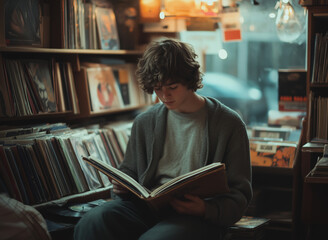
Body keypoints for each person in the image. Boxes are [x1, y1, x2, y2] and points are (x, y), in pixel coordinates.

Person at [74, 38, 252, 240]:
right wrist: (121, 187)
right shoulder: (145, 122)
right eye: (157, 89)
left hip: (196, 215)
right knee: (92, 222)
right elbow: (129, 171)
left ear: (189, 80)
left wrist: (205, 208)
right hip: (148, 209)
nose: (164, 95)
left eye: (172, 87)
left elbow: (240, 195)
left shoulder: (229, 124)